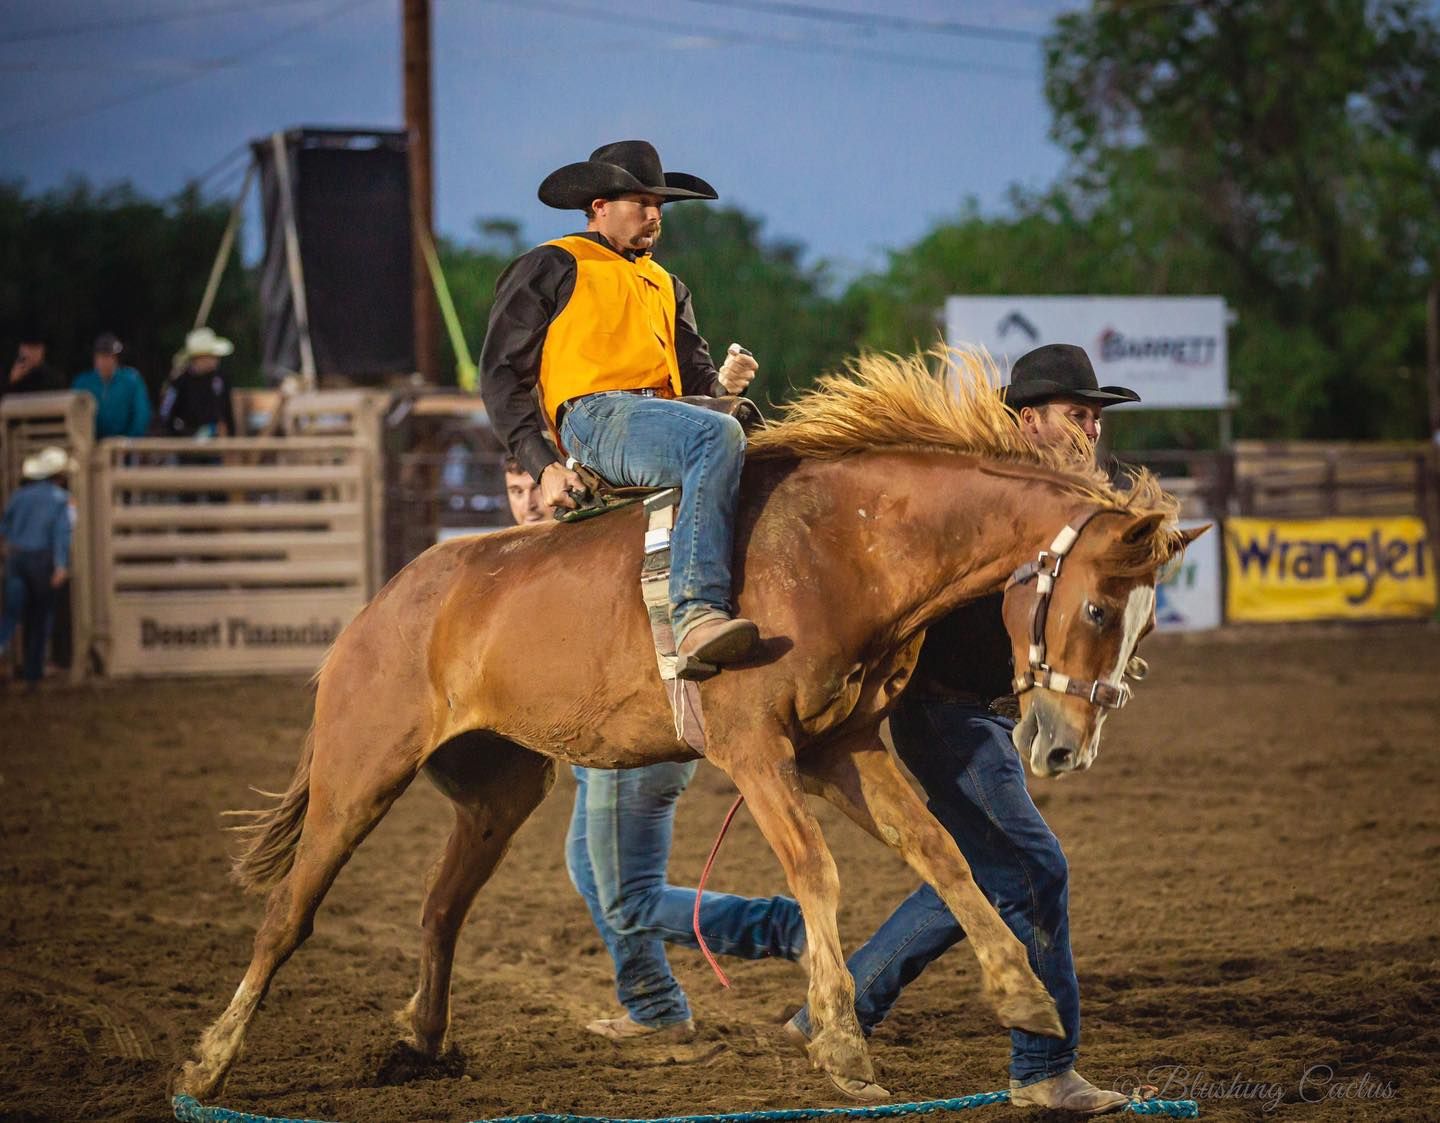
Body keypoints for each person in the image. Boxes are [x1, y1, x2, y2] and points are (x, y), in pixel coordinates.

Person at [786, 344, 1145, 1114]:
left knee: (981, 874)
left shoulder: (1058, 506)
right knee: (1033, 869)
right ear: (1028, 421)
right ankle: (1046, 1065)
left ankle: (832, 1009)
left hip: (977, 710)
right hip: (945, 710)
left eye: (1094, 418)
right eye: (1076, 414)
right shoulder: (978, 496)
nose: (1089, 430)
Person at [497, 452, 807, 1040]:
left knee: (629, 899)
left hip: (632, 732)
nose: (529, 503)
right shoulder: (546, 559)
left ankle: (784, 930)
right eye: (515, 490)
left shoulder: (594, 540)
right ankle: (653, 1003)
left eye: (534, 488)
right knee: (590, 870)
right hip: (600, 740)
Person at [480, 140, 761, 678]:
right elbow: (500, 375)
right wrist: (544, 464)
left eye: (659, 205)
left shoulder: (667, 285)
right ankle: (695, 611)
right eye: (640, 202)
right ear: (598, 207)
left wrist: (723, 386)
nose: (654, 214)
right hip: (596, 419)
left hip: (662, 418)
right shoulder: (553, 264)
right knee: (715, 438)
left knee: (754, 431)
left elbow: (695, 378)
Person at [0, 446, 74, 687]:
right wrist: (61, 566)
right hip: (41, 559)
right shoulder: (60, 499)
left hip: (16, 557)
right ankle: (33, 672)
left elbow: (4, 527)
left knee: (11, 615)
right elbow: (61, 534)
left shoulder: (19, 496)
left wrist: (8, 547)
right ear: (59, 476)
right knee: (40, 617)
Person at [158, 327, 237, 437]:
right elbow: (166, 414)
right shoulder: (179, 382)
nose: (215, 360)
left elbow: (227, 412)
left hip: (214, 442)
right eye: (210, 356)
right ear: (198, 358)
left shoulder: (220, 379)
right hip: (185, 442)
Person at [72, 332, 150, 439]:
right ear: (95, 358)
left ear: (116, 358)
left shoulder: (131, 380)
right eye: (101, 356)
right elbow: (74, 414)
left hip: (123, 444)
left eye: (109, 356)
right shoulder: (82, 382)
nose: (105, 361)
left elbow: (141, 414)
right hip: (90, 444)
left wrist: (130, 440)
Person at [3, 333, 65, 401]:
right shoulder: (12, 372)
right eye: (28, 348)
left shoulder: (54, 377)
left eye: (36, 349)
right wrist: (12, 381)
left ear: (43, 350)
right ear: (21, 349)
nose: (31, 353)